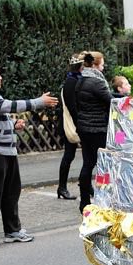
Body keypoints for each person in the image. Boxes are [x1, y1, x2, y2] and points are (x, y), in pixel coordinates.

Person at [0, 64, 58, 249]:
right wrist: (38, 102)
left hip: (8, 150)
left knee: (11, 192)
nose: (0, 77)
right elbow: (7, 106)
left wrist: (11, 125)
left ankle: (12, 231)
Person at [75, 51, 113, 213]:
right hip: (99, 128)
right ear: (96, 65)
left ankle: (84, 201)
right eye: (102, 64)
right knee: (105, 165)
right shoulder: (97, 82)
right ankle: (102, 200)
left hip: (84, 128)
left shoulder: (81, 79)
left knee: (88, 163)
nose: (104, 68)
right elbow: (111, 101)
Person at [57, 55, 82, 200]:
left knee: (72, 155)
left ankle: (63, 187)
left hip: (73, 123)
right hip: (71, 124)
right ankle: (62, 187)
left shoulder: (73, 80)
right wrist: (79, 124)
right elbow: (72, 107)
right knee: (69, 155)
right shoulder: (71, 81)